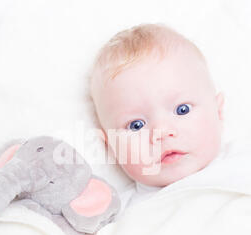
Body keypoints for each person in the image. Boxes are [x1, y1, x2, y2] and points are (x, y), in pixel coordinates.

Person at [89, 23, 226, 208]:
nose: (161, 132)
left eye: (182, 110)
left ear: (218, 112)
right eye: (136, 125)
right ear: (110, 146)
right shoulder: (119, 215)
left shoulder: (245, 165)